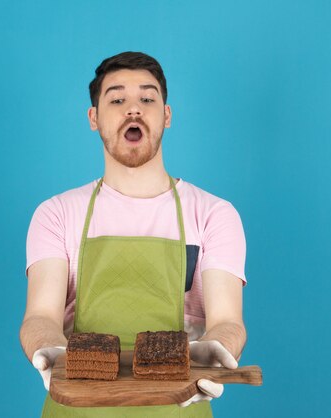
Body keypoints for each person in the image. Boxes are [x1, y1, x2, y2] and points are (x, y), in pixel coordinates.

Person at [20, 51, 247, 417]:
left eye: (147, 98)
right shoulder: (57, 214)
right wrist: (50, 350)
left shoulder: (213, 215)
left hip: (179, 408)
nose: (133, 109)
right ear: (94, 117)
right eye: (117, 99)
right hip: (76, 409)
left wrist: (216, 349)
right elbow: (40, 316)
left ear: (166, 115)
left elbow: (227, 321)